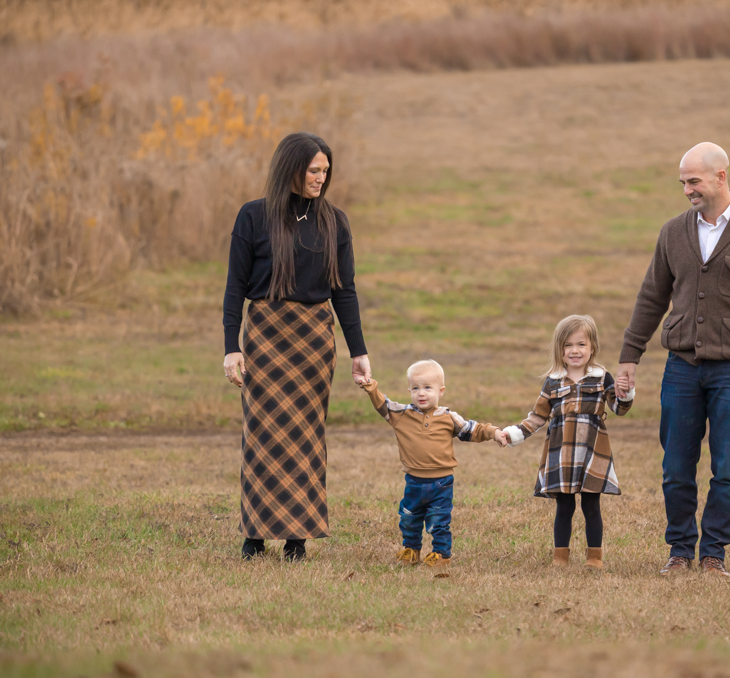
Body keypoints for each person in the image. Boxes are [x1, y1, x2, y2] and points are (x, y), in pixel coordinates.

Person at [615, 142, 730, 578]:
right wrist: (629, 356)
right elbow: (652, 296)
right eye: (682, 182)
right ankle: (679, 551)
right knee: (675, 466)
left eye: (693, 181)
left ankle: (714, 554)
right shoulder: (673, 232)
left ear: (721, 177)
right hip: (681, 368)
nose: (686, 190)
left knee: (728, 467)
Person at [222, 132, 372, 562]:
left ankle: (296, 538)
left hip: (313, 339)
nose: (321, 178)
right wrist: (232, 347)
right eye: (313, 170)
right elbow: (235, 287)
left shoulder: (335, 221)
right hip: (265, 333)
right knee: (262, 433)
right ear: (291, 169)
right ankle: (255, 533)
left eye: (325, 171)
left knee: (307, 435)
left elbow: (345, 290)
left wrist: (357, 350)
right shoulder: (253, 217)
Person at [501, 315, 634, 570]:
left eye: (581, 344)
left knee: (591, 504)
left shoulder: (601, 377)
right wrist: (514, 433)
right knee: (564, 506)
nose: (575, 351)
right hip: (560, 452)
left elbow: (619, 407)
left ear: (592, 347)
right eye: (568, 345)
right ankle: (560, 557)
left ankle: (594, 558)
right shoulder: (553, 381)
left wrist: (625, 392)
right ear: (559, 350)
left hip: (592, 451)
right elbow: (538, 416)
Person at [360, 359, 509, 569]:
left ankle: (441, 555)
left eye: (427, 388)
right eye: (415, 388)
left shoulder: (449, 417)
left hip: (441, 482)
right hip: (413, 481)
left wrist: (493, 432)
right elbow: (382, 403)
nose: (421, 393)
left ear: (441, 391)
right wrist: (370, 386)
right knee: (409, 519)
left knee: (438, 522)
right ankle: (412, 550)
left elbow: (472, 430)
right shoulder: (402, 415)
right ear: (409, 390)